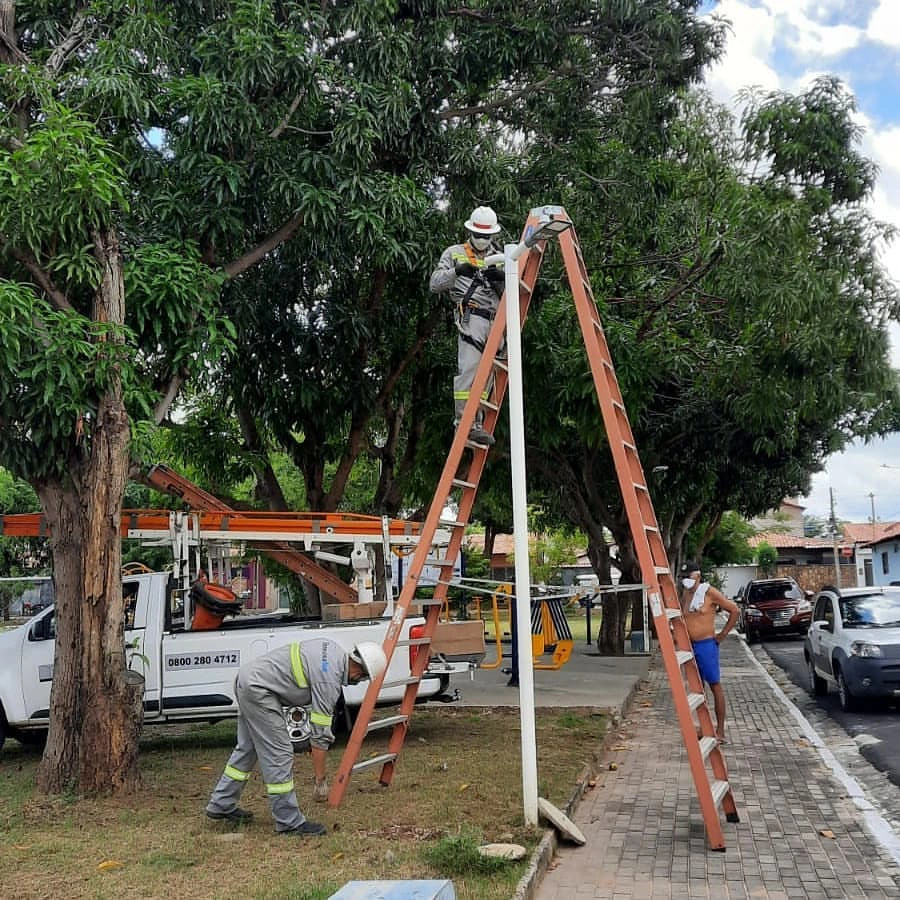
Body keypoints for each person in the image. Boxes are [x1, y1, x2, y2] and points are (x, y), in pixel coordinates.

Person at [205, 638, 387, 835]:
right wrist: (320, 780)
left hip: (248, 681)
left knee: (247, 749)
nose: (357, 682)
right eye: (362, 679)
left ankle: (221, 804)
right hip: (259, 691)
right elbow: (319, 736)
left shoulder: (332, 649)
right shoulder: (329, 680)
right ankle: (288, 822)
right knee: (280, 753)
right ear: (360, 672)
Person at [429, 205, 506, 446]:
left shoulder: (501, 258)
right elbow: (435, 284)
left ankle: (477, 424)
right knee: (470, 371)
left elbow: (510, 295)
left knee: (486, 378)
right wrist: (458, 271)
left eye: (486, 236)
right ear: (470, 231)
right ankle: (464, 423)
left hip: (495, 321)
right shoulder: (454, 253)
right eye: (479, 235)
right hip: (471, 318)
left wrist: (499, 281)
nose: (482, 240)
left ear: (492, 235)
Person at [679, 561, 739, 743]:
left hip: (706, 644)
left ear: (697, 576)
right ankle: (705, 727)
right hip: (690, 645)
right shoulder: (686, 594)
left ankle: (720, 730)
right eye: (683, 577)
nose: (685, 580)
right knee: (698, 688)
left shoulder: (709, 592)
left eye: (687, 576)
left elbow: (734, 610)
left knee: (714, 685)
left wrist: (722, 634)